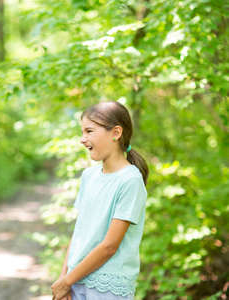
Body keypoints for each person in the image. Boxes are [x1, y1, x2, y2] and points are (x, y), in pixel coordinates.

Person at [51, 101, 149, 300]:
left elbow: (109, 246)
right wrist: (64, 278)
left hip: (108, 288)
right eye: (82, 132)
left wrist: (67, 281)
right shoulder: (89, 176)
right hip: (76, 279)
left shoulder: (130, 181)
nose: (82, 139)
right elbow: (79, 232)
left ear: (116, 133)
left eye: (89, 131)